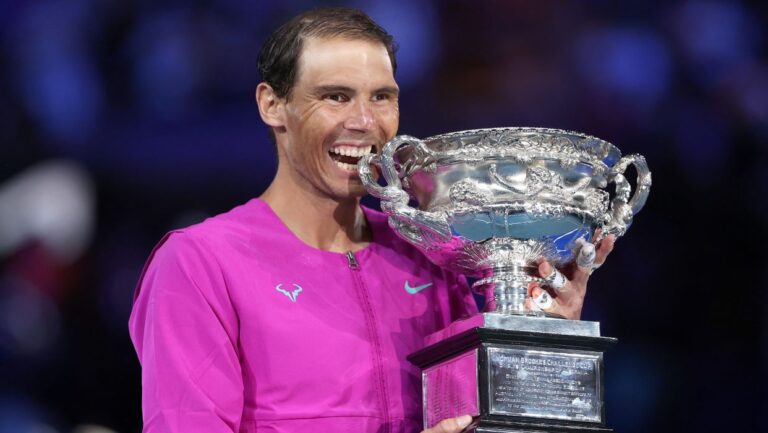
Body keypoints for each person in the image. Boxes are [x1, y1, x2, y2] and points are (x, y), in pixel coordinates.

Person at [128, 7, 615, 433]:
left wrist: (539, 340)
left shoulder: (430, 255)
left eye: (381, 97)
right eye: (335, 96)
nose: (363, 121)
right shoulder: (199, 264)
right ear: (272, 105)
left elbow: (495, 422)